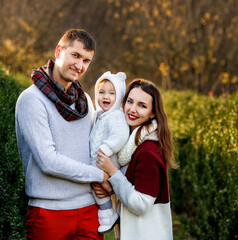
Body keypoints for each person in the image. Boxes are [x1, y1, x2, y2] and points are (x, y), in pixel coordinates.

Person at [15, 28, 111, 240]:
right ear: (59, 51)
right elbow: (48, 161)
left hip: (88, 211)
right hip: (49, 212)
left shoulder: (84, 100)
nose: (79, 66)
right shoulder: (32, 100)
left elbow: (96, 149)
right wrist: (99, 176)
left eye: (86, 61)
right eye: (75, 55)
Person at [93, 79, 179, 240]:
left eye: (142, 105)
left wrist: (112, 171)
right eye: (130, 102)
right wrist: (109, 187)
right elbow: (129, 184)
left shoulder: (148, 152)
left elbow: (141, 204)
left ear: (153, 113)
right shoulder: (130, 145)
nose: (132, 109)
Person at [89, 71, 130, 234]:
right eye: (101, 92)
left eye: (111, 93)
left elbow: (120, 136)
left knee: (97, 186)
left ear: (118, 96)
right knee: (95, 188)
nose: (106, 97)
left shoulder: (116, 116)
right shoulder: (100, 115)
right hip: (98, 161)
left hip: (108, 160)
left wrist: (105, 148)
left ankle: (108, 213)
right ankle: (108, 213)